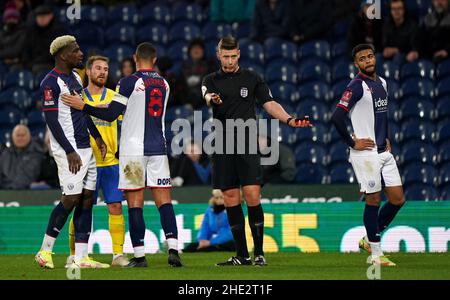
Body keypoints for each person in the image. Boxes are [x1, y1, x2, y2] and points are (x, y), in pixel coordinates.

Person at [61, 42, 183, 268]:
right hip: (159, 149)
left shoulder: (128, 82)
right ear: (154, 60)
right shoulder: (165, 84)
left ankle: (140, 255)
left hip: (133, 151)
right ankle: (174, 249)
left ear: (136, 58)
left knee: (135, 203)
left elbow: (110, 115)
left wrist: (83, 106)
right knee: (164, 202)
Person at [201, 36, 312, 266]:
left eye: (233, 56)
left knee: (252, 195)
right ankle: (242, 255)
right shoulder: (210, 80)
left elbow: (269, 104)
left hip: (246, 142)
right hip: (222, 145)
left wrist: (289, 120)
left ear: (239, 54)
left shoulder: (252, 78)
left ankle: (259, 253)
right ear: (218, 54)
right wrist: (212, 98)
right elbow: (207, 97)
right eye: (226, 56)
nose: (230, 61)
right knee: (230, 198)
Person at [34, 35, 109, 269]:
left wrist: (96, 136)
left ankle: (81, 257)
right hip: (70, 150)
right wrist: (68, 150)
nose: (80, 54)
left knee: (87, 199)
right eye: (76, 51)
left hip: (86, 146)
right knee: (70, 198)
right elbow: (52, 121)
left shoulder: (76, 77)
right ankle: (45, 252)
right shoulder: (50, 82)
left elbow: (82, 111)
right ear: (63, 55)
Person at [331, 44, 406, 267]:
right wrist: (352, 142)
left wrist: (387, 137)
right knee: (373, 199)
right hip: (365, 153)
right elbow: (336, 117)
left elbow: (381, 116)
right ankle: (375, 254)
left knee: (397, 199)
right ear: (356, 64)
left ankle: (368, 238)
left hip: (384, 151)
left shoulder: (382, 83)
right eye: (362, 58)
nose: (368, 60)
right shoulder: (355, 87)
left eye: (370, 56)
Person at [65, 55, 129, 267]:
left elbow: (124, 125)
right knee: (81, 209)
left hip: (110, 162)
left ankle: (118, 255)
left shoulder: (114, 97)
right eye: (98, 68)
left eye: (106, 69)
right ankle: (74, 255)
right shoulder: (76, 98)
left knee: (116, 207)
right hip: (84, 163)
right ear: (89, 72)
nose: (103, 72)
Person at [24, 4, 66, 74]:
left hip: (52, 65)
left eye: (44, 16)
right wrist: (30, 65)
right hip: (34, 65)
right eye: (39, 16)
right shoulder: (31, 32)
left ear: (51, 16)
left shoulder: (58, 31)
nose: (41, 19)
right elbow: (26, 51)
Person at [0, 125, 43, 189]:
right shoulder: (5, 154)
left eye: (23, 135)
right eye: (18, 135)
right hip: (5, 192)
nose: (20, 138)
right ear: (12, 136)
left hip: (27, 193)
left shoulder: (37, 154)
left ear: (29, 136)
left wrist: (10, 187)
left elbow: (27, 177)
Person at [180, 38, 216, 109]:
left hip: (203, 96)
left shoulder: (210, 64)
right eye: (193, 48)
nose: (196, 50)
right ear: (189, 52)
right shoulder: (184, 66)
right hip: (187, 95)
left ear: (203, 51)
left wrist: (200, 80)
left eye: (199, 48)